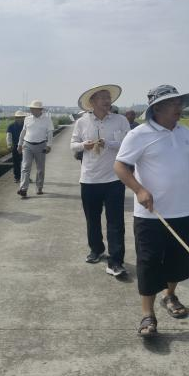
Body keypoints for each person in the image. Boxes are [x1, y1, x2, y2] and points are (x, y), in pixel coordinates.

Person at [115, 85, 189, 338]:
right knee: (149, 263)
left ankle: (170, 295)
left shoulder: (185, 133)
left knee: (177, 261)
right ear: (157, 108)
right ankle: (147, 314)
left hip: (184, 210)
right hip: (151, 214)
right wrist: (139, 190)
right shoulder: (139, 135)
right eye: (173, 103)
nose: (179, 108)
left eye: (180, 102)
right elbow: (120, 167)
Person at [70, 84, 131, 278]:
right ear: (92, 102)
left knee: (116, 222)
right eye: (102, 97)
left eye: (108, 97)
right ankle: (96, 249)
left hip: (114, 178)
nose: (107, 101)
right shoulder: (82, 122)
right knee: (92, 219)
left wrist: (109, 143)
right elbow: (73, 145)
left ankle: (116, 261)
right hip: (89, 178)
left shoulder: (120, 120)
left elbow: (129, 144)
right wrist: (84, 145)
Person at [17, 100, 54, 197]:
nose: (31, 110)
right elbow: (23, 132)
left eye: (34, 108)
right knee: (25, 167)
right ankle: (23, 189)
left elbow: (50, 133)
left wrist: (49, 145)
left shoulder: (47, 119)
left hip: (41, 145)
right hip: (27, 145)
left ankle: (39, 187)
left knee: (40, 168)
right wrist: (19, 144)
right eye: (31, 108)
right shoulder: (27, 119)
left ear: (40, 110)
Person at [6, 110, 27, 182]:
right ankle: (17, 177)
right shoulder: (11, 126)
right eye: (18, 117)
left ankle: (26, 177)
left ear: (23, 118)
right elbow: (9, 136)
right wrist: (9, 144)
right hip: (15, 146)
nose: (19, 119)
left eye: (21, 117)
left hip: (25, 146)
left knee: (26, 163)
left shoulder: (26, 125)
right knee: (16, 163)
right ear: (15, 118)